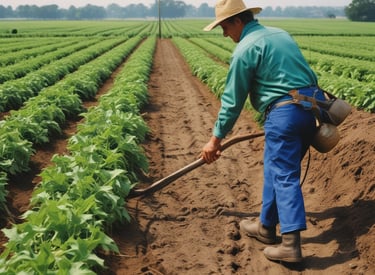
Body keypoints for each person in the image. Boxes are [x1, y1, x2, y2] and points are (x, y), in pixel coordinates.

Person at [201, 0, 328, 263]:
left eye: (225, 28)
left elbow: (233, 101)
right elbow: (308, 74)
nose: (225, 35)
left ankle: (291, 245)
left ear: (237, 21)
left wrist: (215, 140)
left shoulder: (245, 49)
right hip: (310, 107)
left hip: (284, 113)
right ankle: (266, 227)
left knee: (283, 174)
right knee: (275, 167)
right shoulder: (281, 34)